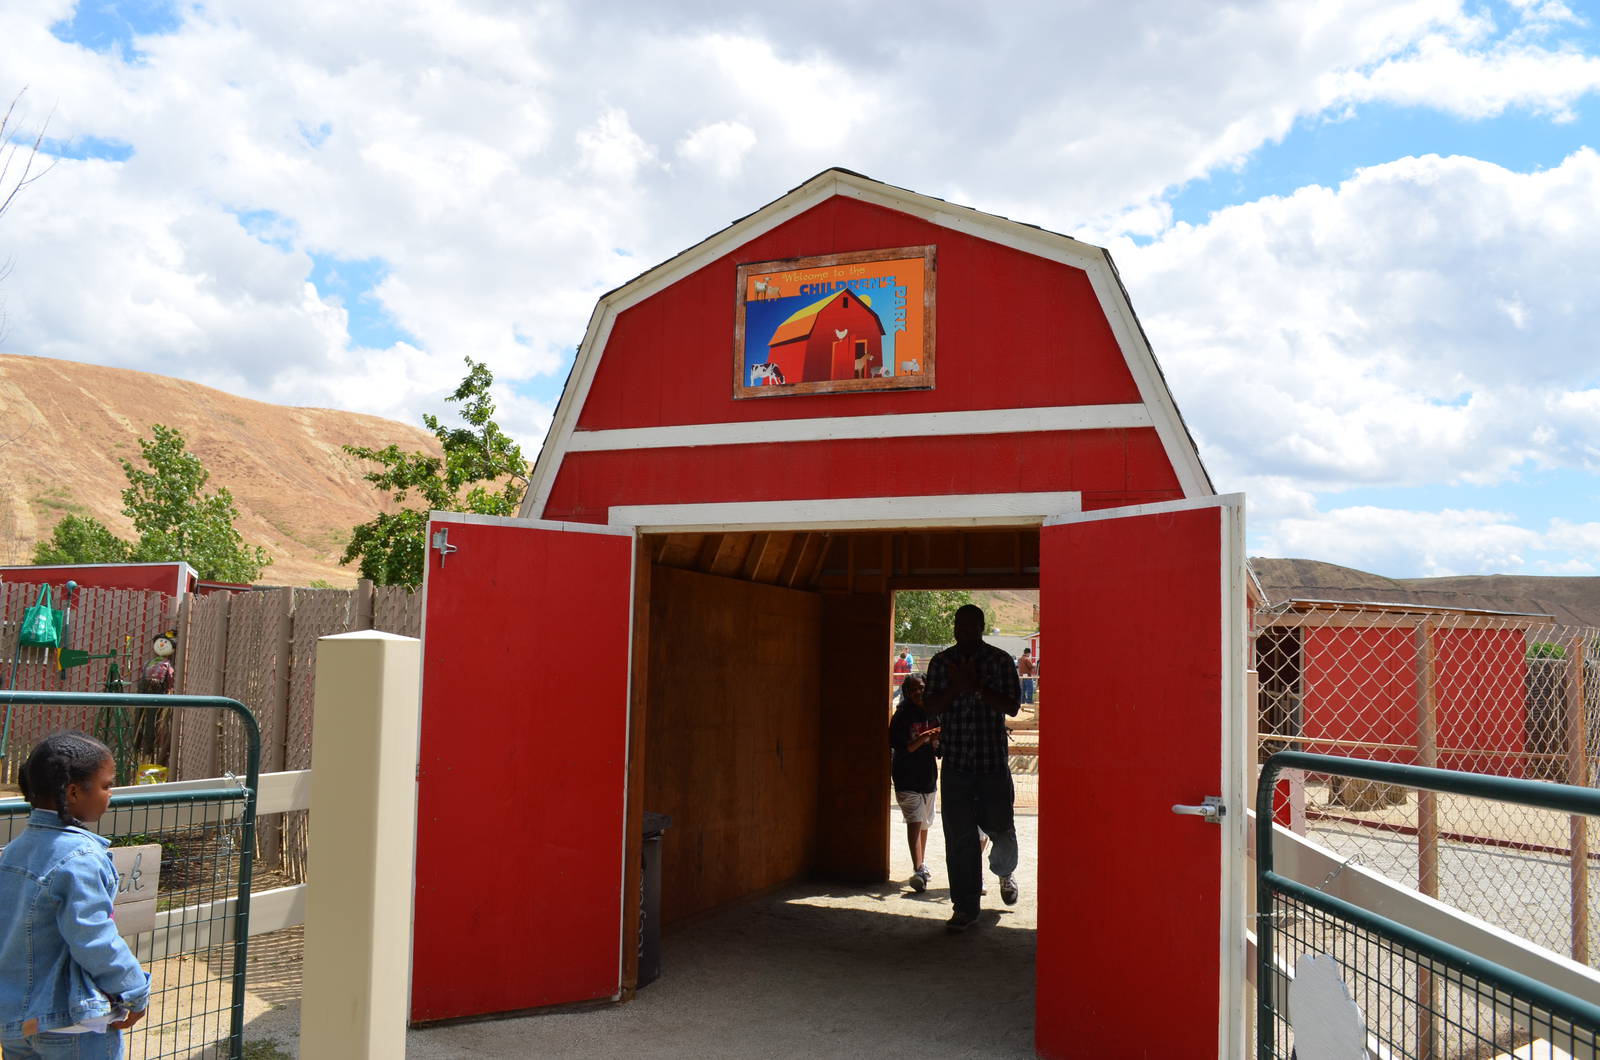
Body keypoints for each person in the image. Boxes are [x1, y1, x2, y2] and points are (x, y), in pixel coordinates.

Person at [1, 732, 150, 1060]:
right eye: (106, 785)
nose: (111, 794)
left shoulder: (11, 854)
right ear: (72, 792)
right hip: (73, 1027)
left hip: (15, 1022)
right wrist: (135, 990)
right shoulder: (80, 858)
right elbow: (94, 938)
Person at [925, 604, 1022, 932]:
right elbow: (931, 707)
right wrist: (958, 687)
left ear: (981, 627)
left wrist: (978, 688)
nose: (961, 632)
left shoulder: (998, 661)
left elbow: (1012, 706)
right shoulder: (941, 663)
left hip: (991, 766)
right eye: (957, 626)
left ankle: (1004, 873)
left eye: (968, 626)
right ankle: (965, 907)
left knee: (1001, 829)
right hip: (955, 767)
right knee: (960, 839)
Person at [888, 675, 939, 892]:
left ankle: (921, 865)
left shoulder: (933, 711)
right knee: (915, 821)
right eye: (913, 689)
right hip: (906, 776)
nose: (918, 692)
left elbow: (938, 746)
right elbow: (903, 747)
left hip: (928, 776)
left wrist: (937, 741)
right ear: (907, 692)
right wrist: (925, 737)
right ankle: (917, 868)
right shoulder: (901, 716)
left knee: (925, 823)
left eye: (922, 687)